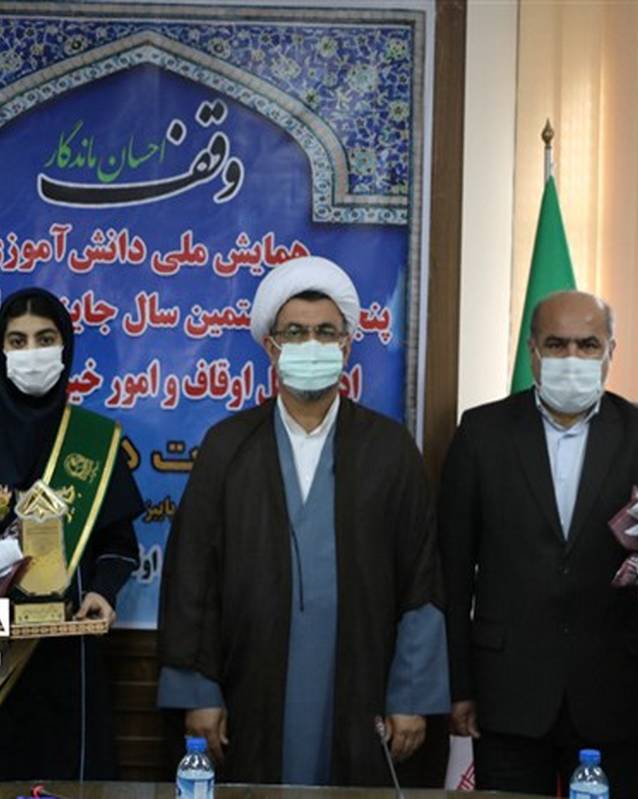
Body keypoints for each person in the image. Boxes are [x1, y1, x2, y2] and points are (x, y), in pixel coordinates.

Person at [157, 255, 449, 785]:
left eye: (325, 332)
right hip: (249, 688)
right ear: (272, 348)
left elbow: (421, 579)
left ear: (346, 346)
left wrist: (411, 695)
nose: (311, 344)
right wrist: (199, 693)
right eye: (295, 332)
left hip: (362, 687)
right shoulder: (228, 448)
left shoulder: (389, 450)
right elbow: (192, 578)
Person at [439, 290, 638, 799]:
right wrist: (458, 686)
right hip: (507, 692)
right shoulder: (482, 432)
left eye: (588, 345)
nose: (572, 358)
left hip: (615, 692)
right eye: (556, 344)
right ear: (532, 352)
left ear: (611, 351)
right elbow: (454, 572)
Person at [0, 287, 143, 781]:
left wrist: (102, 591)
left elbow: (118, 544)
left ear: (65, 348)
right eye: (18, 340)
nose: (32, 353)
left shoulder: (93, 439)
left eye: (45, 339)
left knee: (70, 777)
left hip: (69, 652)